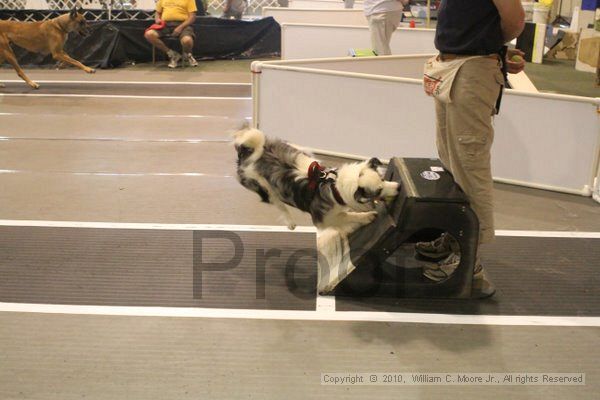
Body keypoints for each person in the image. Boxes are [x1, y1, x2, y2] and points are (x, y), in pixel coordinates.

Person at [419, 0, 526, 297]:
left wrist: (487, 46)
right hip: (452, 67)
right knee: (451, 160)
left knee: (470, 165)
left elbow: (514, 20)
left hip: (472, 70)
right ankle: (455, 238)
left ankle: (470, 265)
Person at [144, 0, 198, 68]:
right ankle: (172, 54)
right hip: (165, 24)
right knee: (149, 34)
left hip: (183, 24)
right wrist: (157, 20)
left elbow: (192, 17)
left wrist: (180, 27)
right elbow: (157, 13)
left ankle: (187, 55)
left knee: (187, 40)